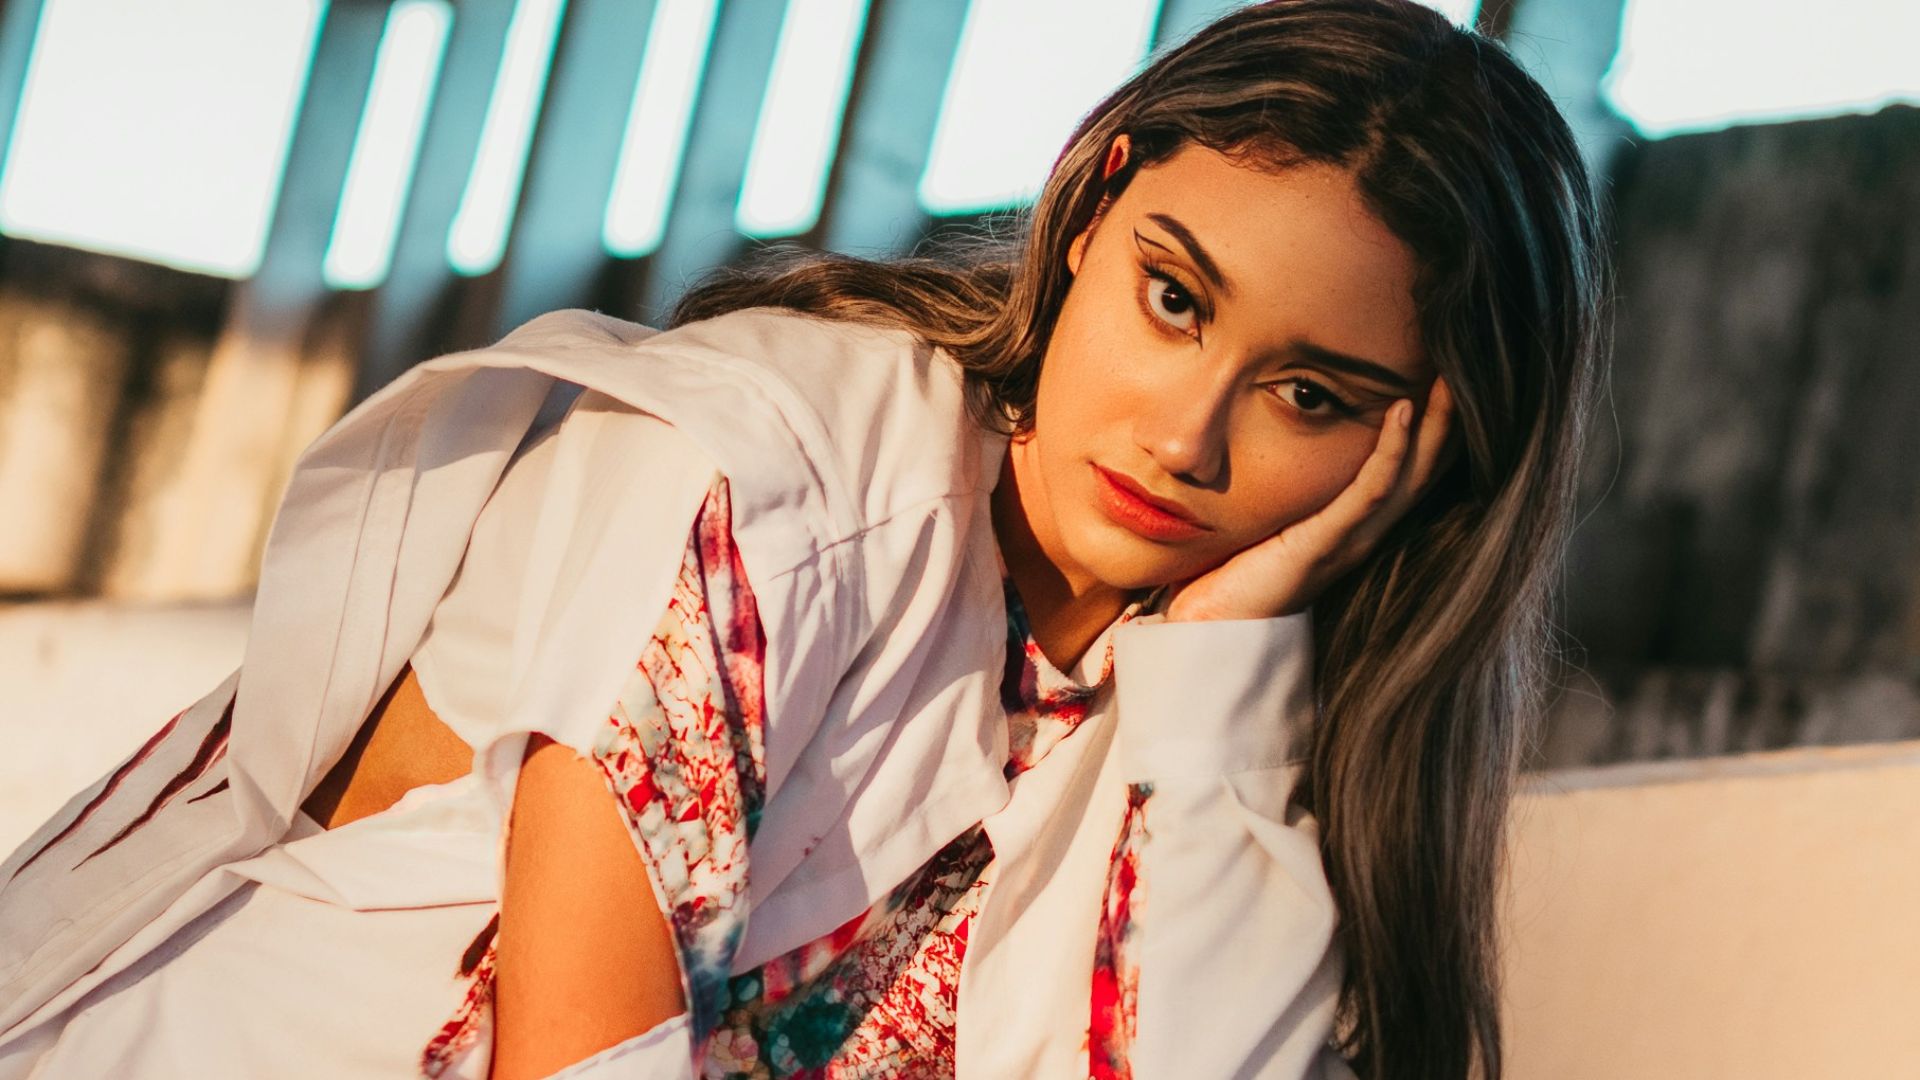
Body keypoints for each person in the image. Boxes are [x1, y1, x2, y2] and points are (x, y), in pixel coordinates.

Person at [0, 1, 1606, 1077]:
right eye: (1173, 300)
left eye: (1309, 394)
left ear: (1427, 452)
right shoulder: (794, 456)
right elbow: (574, 1050)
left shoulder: (1206, 721)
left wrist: (1226, 696)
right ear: (1094, 200)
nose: (1186, 435)